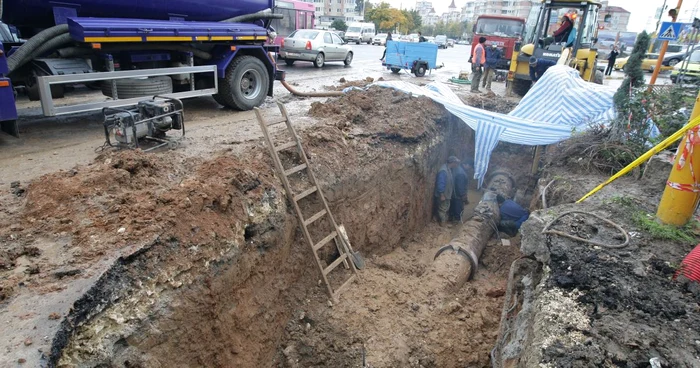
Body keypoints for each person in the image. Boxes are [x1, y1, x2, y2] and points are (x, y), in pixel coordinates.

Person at [434, 156, 460, 226]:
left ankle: (441, 221)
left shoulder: (448, 169)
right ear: (452, 162)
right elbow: (440, 183)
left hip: (446, 194)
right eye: (456, 163)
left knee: (445, 208)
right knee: (443, 209)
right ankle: (443, 223)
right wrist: (442, 194)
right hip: (443, 195)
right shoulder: (443, 171)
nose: (457, 165)